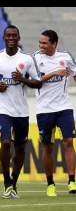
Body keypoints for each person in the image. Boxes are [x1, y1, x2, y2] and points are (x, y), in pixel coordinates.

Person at [0, 25, 42, 199]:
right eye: (8, 35)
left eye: (14, 35)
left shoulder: (27, 59)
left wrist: (22, 79)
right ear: (3, 37)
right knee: (6, 142)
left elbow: (38, 83)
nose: (11, 38)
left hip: (21, 109)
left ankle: (14, 184)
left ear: (18, 37)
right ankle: (6, 181)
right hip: (2, 107)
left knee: (21, 147)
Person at [32, 29, 76, 197]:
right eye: (40, 42)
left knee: (68, 142)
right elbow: (34, 81)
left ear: (54, 44)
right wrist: (54, 73)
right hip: (44, 109)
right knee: (48, 146)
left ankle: (72, 181)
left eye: (44, 43)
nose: (41, 45)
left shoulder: (65, 57)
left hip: (64, 107)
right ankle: (50, 183)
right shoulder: (35, 58)